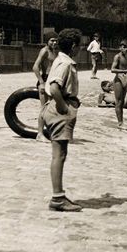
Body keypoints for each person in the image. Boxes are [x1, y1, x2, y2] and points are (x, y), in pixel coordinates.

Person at [40, 28, 83, 212]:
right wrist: (65, 108)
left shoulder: (61, 59)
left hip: (57, 107)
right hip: (59, 111)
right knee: (59, 155)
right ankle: (57, 198)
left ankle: (59, 195)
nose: (80, 49)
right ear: (73, 46)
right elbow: (55, 87)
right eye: (79, 46)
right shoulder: (66, 64)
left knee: (60, 154)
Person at [32, 31, 59, 142]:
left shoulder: (56, 51)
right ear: (47, 41)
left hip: (53, 80)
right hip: (45, 79)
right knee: (44, 108)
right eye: (52, 40)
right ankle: (39, 133)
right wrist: (41, 82)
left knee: (52, 109)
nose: (54, 42)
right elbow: (35, 67)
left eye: (56, 40)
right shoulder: (44, 51)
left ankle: (50, 132)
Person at [110, 40, 127, 130]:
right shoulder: (117, 56)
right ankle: (120, 123)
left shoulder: (125, 57)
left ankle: (121, 122)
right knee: (119, 102)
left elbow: (126, 69)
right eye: (124, 47)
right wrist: (126, 71)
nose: (126, 49)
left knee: (122, 103)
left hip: (124, 79)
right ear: (120, 47)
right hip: (118, 81)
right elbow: (112, 69)